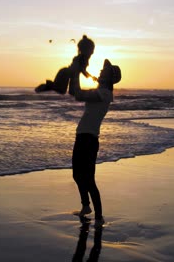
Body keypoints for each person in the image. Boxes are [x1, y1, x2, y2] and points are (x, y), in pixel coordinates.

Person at [70, 58, 121, 228]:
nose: (99, 72)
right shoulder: (101, 91)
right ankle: (86, 206)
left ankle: (99, 217)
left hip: (89, 140)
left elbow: (77, 94)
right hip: (82, 137)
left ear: (108, 78)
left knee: (89, 179)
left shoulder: (104, 94)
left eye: (103, 72)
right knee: (77, 175)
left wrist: (75, 73)